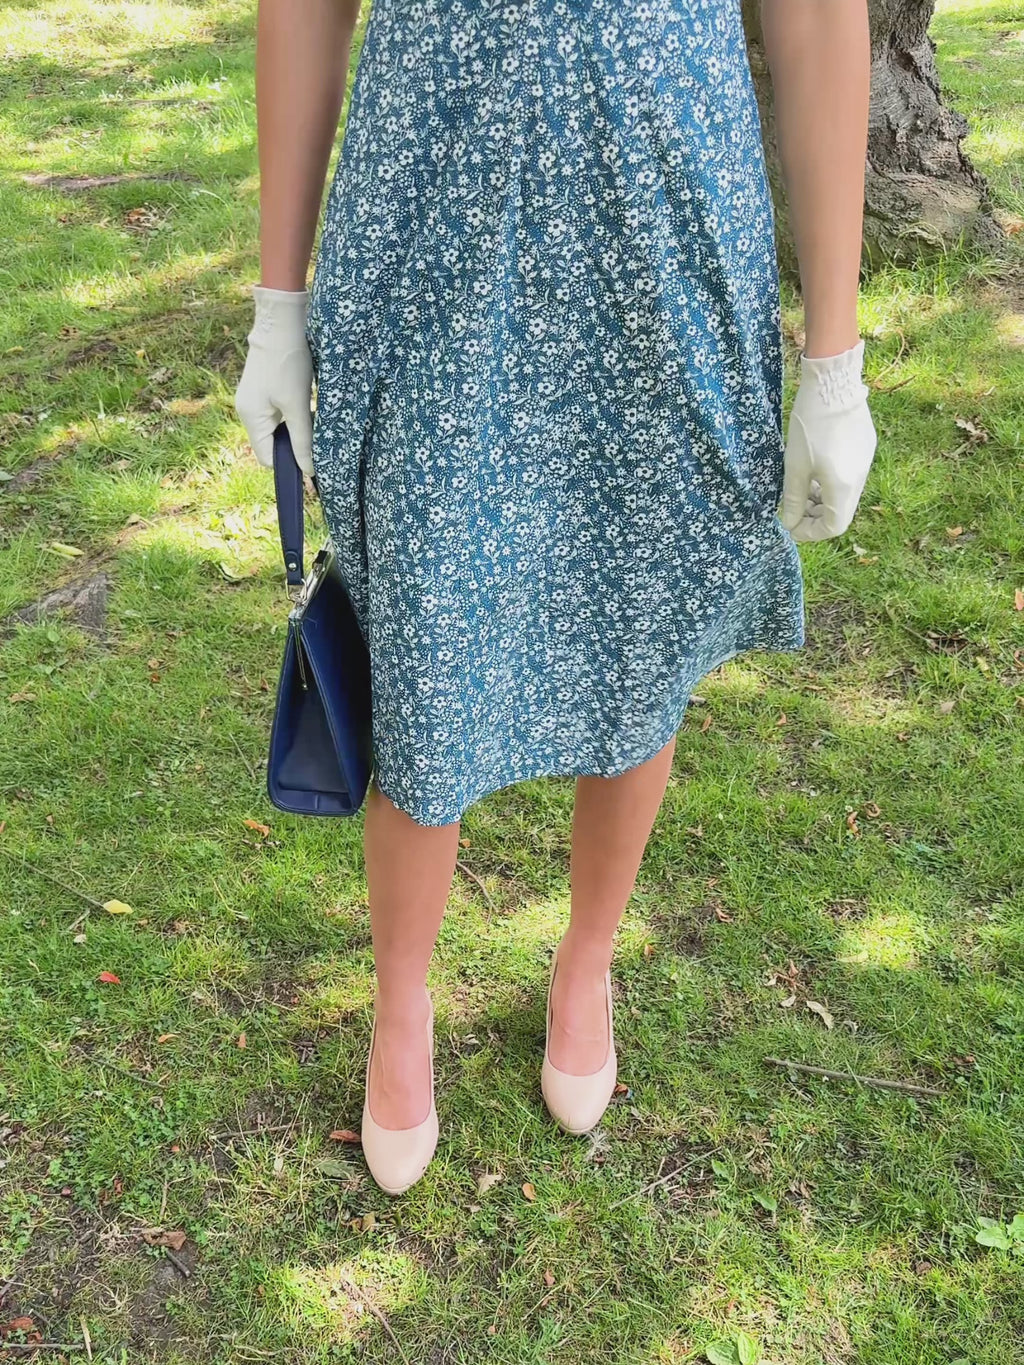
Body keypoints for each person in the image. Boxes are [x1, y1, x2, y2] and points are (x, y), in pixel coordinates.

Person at [235, 0, 877, 1196]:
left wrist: (834, 358)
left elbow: (816, 18)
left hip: (666, 225)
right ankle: (401, 1002)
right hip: (428, 221)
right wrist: (279, 301)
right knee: (423, 622)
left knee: (640, 609)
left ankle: (587, 961)